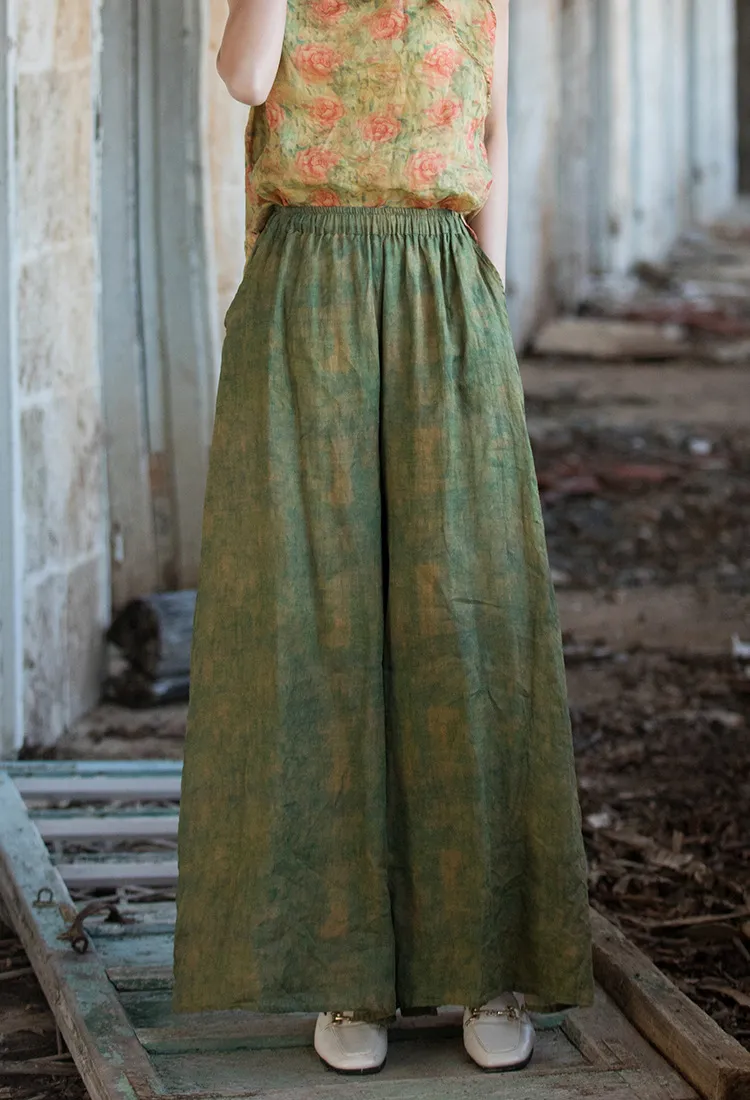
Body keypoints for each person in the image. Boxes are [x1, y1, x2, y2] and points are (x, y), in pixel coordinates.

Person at [172, 0, 594, 1077]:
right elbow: (246, 79)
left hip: (443, 292)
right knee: (321, 625)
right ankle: (344, 967)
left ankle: (488, 963)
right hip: (306, 291)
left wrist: (489, 296)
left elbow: (494, 128)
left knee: (466, 618)